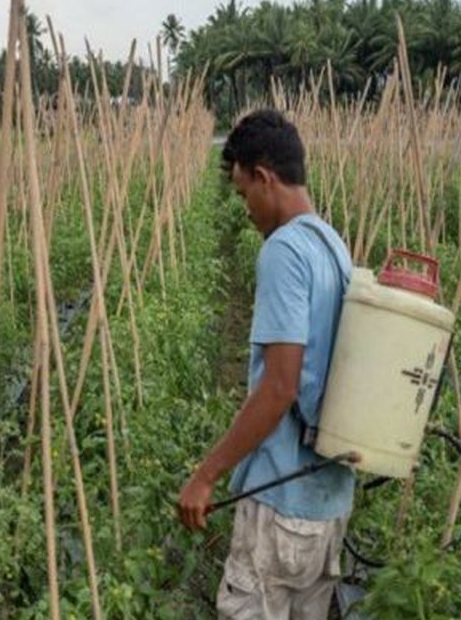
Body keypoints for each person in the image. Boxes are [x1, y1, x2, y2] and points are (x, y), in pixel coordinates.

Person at [177, 109, 354, 620]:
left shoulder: (285, 251)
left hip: (280, 511)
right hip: (327, 506)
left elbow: (279, 388)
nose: (245, 209)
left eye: (241, 193)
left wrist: (206, 475)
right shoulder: (333, 245)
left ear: (264, 177)